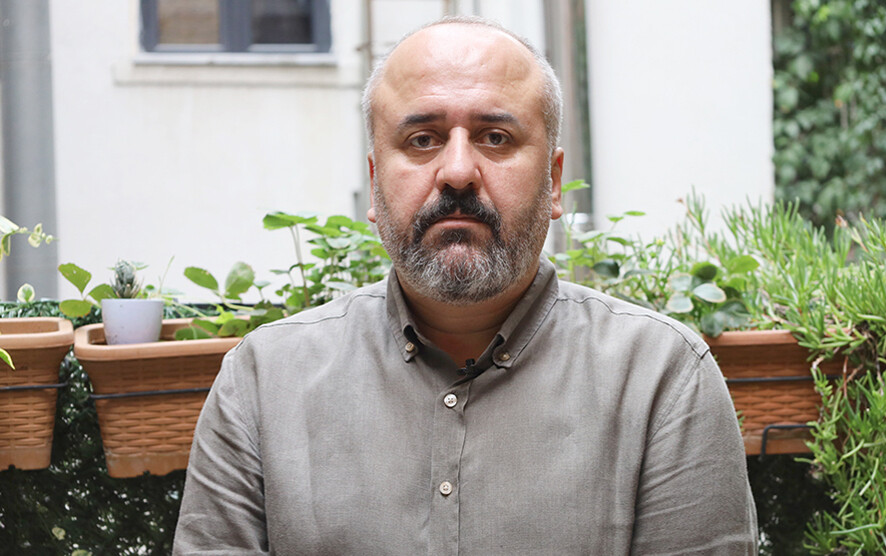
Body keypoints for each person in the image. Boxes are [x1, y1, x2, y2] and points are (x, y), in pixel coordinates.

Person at [174, 16, 757, 555]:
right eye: (422, 139)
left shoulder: (662, 379)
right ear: (375, 184)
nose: (456, 172)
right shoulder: (263, 381)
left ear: (554, 182)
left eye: (496, 137)